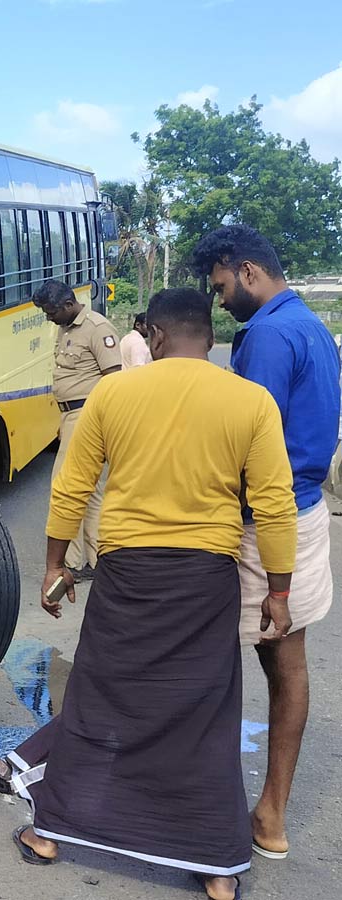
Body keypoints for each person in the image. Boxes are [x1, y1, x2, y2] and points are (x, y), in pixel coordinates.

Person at [8, 287, 295, 900]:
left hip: (127, 574)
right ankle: (218, 868)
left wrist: (55, 564)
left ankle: (51, 834)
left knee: (98, 700)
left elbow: (72, 488)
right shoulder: (252, 401)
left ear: (155, 338)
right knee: (206, 715)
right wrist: (278, 591)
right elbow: (273, 504)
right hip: (205, 580)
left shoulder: (113, 393)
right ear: (210, 338)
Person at [194, 224, 342, 862]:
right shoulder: (311, 325)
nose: (221, 301)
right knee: (289, 665)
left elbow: (244, 439)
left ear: (247, 270)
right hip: (307, 512)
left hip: (262, 523)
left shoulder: (267, 337)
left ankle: (209, 809)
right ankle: (271, 815)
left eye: (222, 286)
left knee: (213, 663)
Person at [33, 279, 121, 581]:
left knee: (65, 487)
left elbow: (113, 379)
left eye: (52, 312)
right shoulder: (67, 327)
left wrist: (100, 423)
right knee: (92, 491)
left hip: (87, 415)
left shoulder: (97, 328)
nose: (50, 318)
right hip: (71, 416)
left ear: (69, 305)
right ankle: (97, 561)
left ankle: (70, 562)